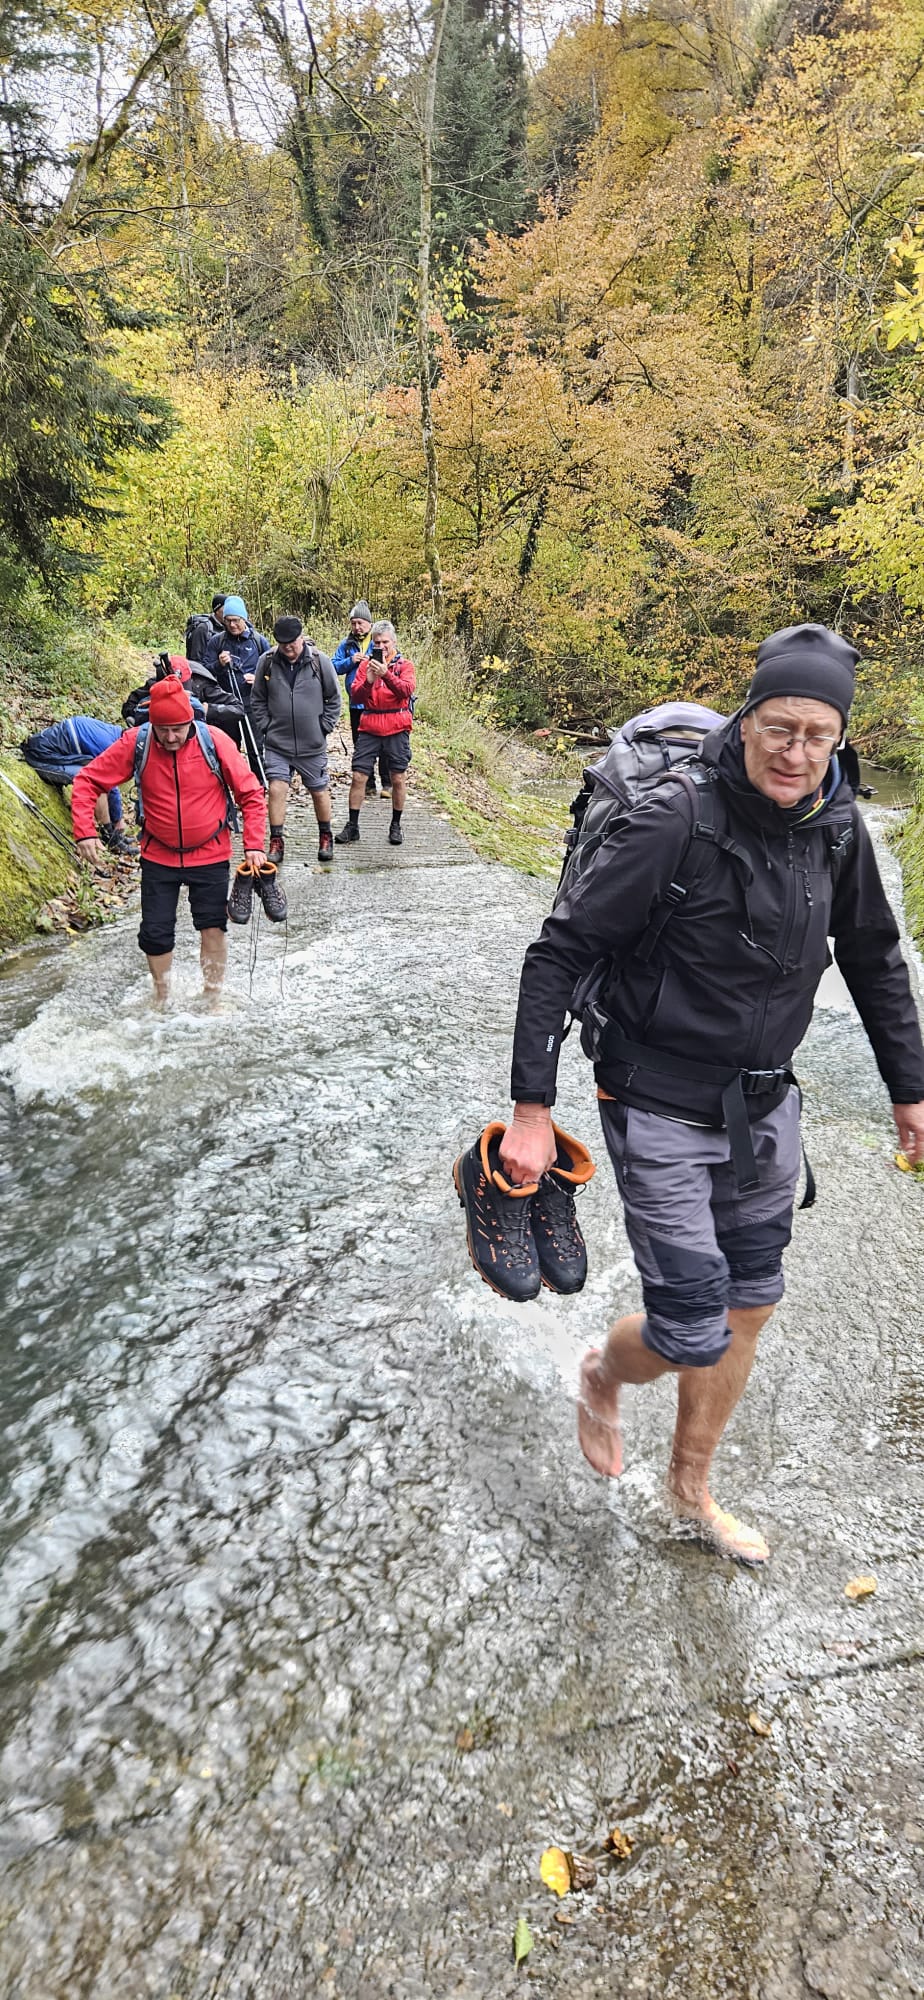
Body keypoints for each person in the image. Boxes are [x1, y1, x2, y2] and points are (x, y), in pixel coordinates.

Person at [497, 624, 924, 1564]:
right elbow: (559, 952)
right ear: (748, 717)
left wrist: (910, 1088)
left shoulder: (839, 828)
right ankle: (602, 1372)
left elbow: (875, 959)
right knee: (693, 1323)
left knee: (750, 1303)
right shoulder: (675, 818)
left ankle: (691, 1489)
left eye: (819, 735)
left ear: (839, 739)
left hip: (766, 1106)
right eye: (781, 727)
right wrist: (533, 1106)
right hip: (653, 1095)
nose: (797, 753)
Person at [71, 675, 266, 1004]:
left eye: (179, 728)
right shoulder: (138, 742)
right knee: (155, 933)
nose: (172, 736)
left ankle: (213, 997)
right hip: (158, 854)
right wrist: (85, 831)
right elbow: (88, 780)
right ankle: (161, 997)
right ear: (153, 724)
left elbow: (250, 793)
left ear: (190, 720)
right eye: (164, 730)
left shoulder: (214, 741)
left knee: (213, 926)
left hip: (211, 851)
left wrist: (255, 845)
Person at [249, 616, 341, 865]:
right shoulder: (267, 662)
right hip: (278, 744)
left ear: (301, 637)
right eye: (282, 643)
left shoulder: (319, 662)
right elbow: (257, 698)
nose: (288, 648)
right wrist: (266, 726)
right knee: (277, 789)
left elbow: (334, 698)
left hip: (312, 744)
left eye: (292, 642)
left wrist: (324, 727)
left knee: (319, 791)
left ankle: (325, 836)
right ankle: (276, 840)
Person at [335, 621, 415, 848]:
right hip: (369, 726)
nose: (381, 646)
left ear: (394, 642)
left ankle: (396, 825)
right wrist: (370, 680)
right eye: (377, 642)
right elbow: (356, 697)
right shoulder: (365, 667)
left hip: (396, 727)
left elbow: (406, 691)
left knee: (398, 778)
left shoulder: (405, 665)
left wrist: (387, 675)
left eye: (385, 642)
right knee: (359, 776)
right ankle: (352, 825)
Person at [21, 717, 137, 855]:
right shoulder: (110, 745)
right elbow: (107, 785)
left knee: (99, 779)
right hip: (40, 758)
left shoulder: (116, 734)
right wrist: (118, 820)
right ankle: (109, 835)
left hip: (51, 751)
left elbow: (112, 784)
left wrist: (118, 818)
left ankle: (113, 833)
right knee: (96, 784)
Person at [122, 654, 245, 742]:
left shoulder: (203, 685)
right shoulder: (156, 684)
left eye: (182, 687)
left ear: (190, 677)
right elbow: (129, 706)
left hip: (201, 737)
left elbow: (238, 709)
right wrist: (148, 713)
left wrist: (209, 710)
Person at [332, 599, 387, 796]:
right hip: (356, 703)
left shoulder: (378, 642)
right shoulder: (347, 645)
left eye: (360, 623)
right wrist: (351, 661)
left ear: (369, 624)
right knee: (361, 745)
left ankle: (386, 783)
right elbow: (333, 666)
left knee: (382, 743)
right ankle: (369, 784)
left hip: (377, 703)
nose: (356, 627)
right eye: (353, 623)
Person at [202, 595, 270, 702]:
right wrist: (220, 664)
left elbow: (273, 673)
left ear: (244, 619)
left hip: (254, 701)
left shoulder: (259, 641)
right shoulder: (216, 641)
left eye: (235, 620)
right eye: (228, 620)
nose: (232, 625)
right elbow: (204, 672)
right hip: (226, 702)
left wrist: (258, 680)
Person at [185, 593, 228, 664]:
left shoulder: (228, 626)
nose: (229, 611)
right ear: (217, 610)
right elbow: (195, 659)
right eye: (225, 608)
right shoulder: (203, 628)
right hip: (204, 671)